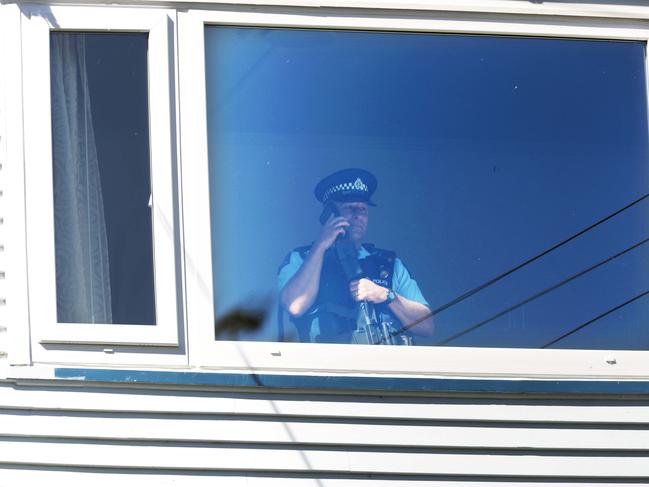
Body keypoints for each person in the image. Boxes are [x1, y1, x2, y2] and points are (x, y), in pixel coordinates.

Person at [278, 168, 433, 344]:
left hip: (390, 368)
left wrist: (386, 296)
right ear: (330, 214)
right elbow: (295, 306)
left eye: (363, 210)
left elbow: (427, 326)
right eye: (350, 208)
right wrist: (321, 246)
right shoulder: (301, 258)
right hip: (327, 367)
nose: (358, 216)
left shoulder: (389, 265)